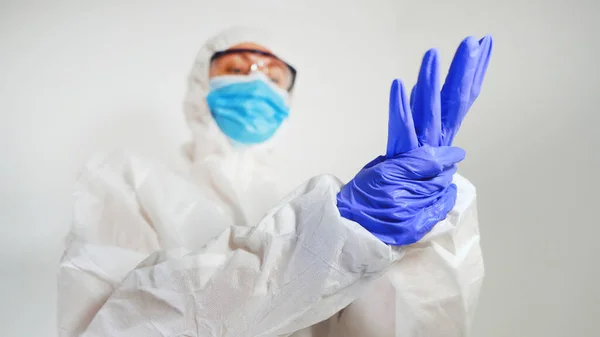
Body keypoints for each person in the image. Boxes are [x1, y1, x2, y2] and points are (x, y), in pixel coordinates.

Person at [57, 26, 493, 337]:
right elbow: (121, 324)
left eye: (272, 73)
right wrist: (332, 237)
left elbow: (404, 327)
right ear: (198, 83)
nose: (256, 80)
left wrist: (422, 234)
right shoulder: (128, 185)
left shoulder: (313, 197)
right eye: (237, 66)